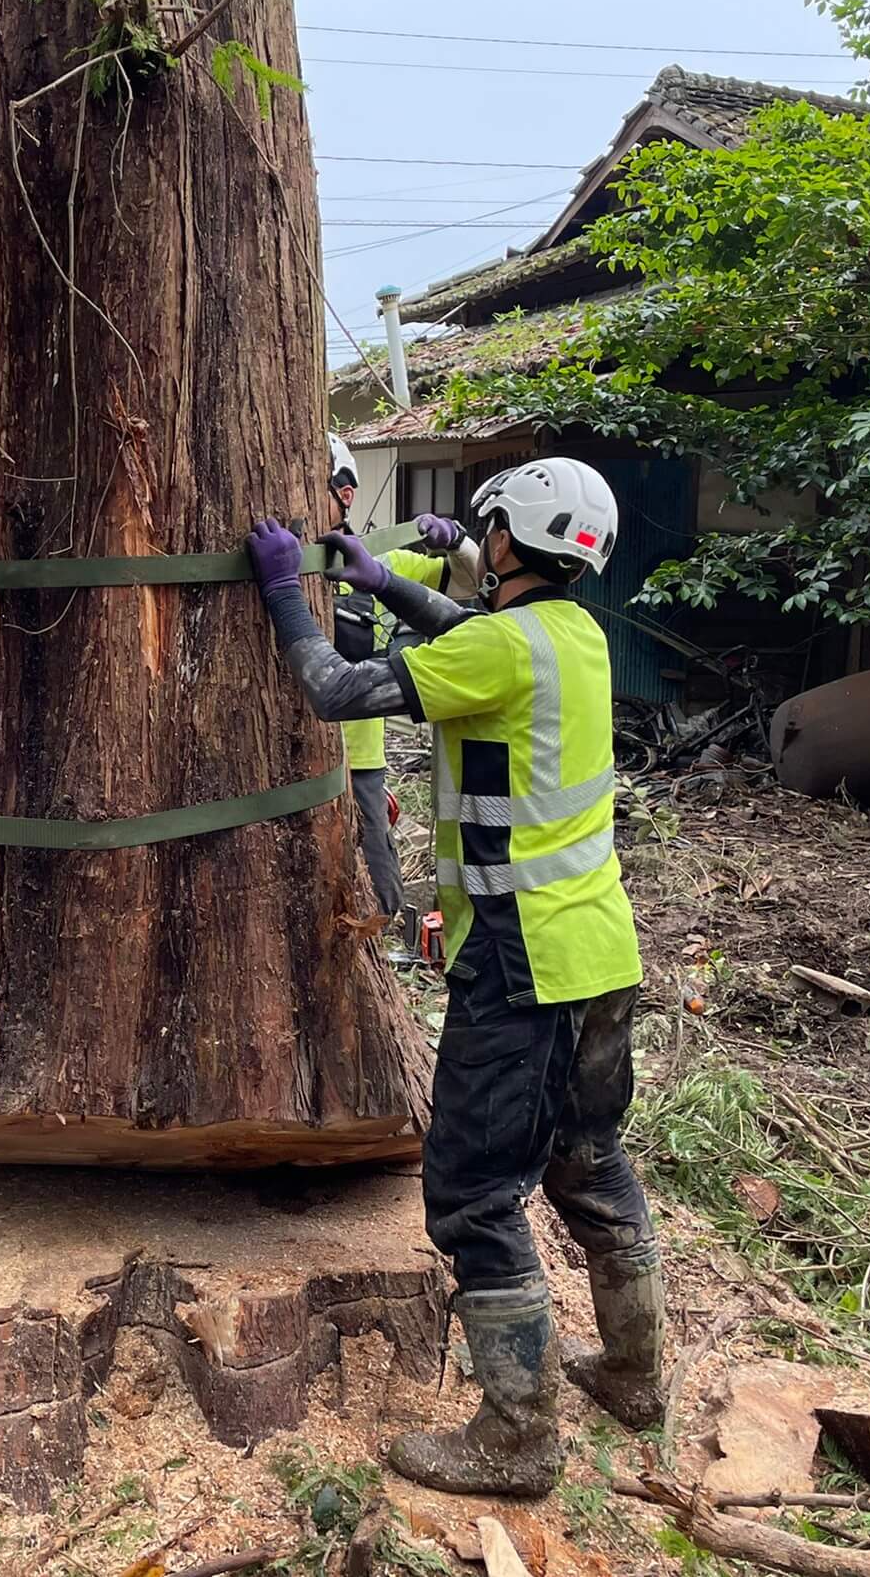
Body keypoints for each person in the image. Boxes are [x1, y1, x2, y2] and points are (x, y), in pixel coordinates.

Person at [245, 458, 663, 1498]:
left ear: (514, 542)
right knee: (586, 1155)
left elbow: (335, 690)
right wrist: (386, 587)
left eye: (491, 534)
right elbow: (470, 641)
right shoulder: (575, 636)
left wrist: (282, 596)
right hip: (602, 950)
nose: (483, 547)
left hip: (523, 961)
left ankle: (518, 1436)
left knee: (474, 1195)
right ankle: (636, 1374)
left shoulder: (500, 648)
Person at [324, 433, 484, 920]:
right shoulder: (275, 562)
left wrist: (456, 540)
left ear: (344, 493)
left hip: (358, 763)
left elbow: (470, 580)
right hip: (277, 762)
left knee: (376, 888)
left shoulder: (381, 564)